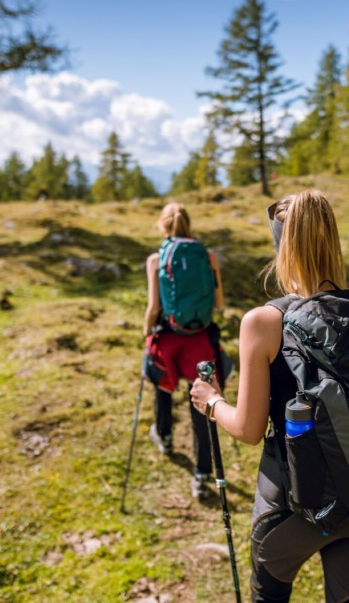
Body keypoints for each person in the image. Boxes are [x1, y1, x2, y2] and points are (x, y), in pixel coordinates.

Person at [190, 190, 349, 603]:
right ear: (332, 239)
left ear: (282, 247)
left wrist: (211, 401)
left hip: (291, 504)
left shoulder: (263, 321)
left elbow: (249, 428)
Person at [144, 202, 224, 499]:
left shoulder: (157, 259)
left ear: (163, 226)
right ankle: (202, 474)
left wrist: (145, 332)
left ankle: (164, 437)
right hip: (200, 340)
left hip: (168, 337)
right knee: (201, 400)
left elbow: (154, 308)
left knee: (162, 387)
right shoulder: (208, 256)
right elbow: (219, 303)